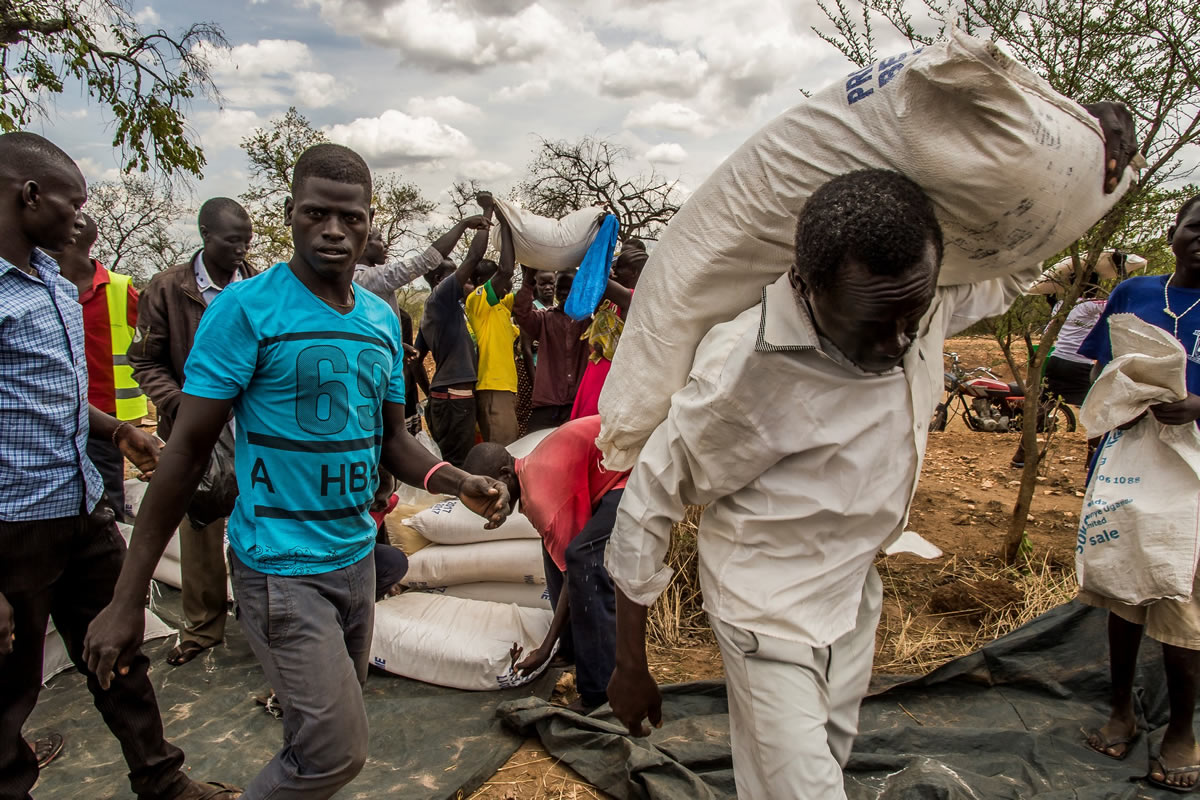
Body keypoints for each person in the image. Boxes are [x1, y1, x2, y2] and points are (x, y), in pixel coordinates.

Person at [602, 170, 1071, 799]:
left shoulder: (914, 306)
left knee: (813, 764)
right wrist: (630, 664)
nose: (899, 343)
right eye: (871, 324)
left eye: (914, 315)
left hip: (852, 592)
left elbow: (1010, 270)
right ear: (806, 287)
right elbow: (648, 502)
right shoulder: (746, 372)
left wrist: (1082, 171)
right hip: (763, 607)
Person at [83, 142, 511, 800]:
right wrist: (124, 600)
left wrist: (459, 481)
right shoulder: (246, 310)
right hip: (279, 569)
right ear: (290, 214)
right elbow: (187, 453)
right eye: (316, 214)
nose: (334, 231)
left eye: (352, 218)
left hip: (356, 560)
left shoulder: (378, 323)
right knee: (336, 753)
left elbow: (392, 441)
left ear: (370, 222)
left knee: (314, 739)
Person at [0, 131, 239, 800]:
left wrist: (113, 432)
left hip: (80, 507)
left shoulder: (49, 277)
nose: (82, 219)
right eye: (73, 205)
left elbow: (44, 395)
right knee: (8, 691)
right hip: (11, 527)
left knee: (120, 654)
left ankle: (162, 782)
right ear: (29, 196)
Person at [1077, 194, 1200, 793]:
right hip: (1127, 463)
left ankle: (1181, 729)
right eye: (1197, 227)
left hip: (1192, 482)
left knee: (1183, 603)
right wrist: (1109, 428)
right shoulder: (1134, 296)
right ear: (1174, 229)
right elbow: (1104, 374)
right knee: (1122, 592)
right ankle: (1121, 706)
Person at [130, 197, 256, 667]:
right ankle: (202, 629)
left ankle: (261, 616)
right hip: (194, 433)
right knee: (201, 528)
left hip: (253, 430)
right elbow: (144, 359)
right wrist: (182, 404)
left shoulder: (258, 287)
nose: (241, 249)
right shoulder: (167, 290)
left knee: (260, 524)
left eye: (246, 240)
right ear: (205, 235)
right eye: (231, 240)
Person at [463, 415, 629, 711]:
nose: (487, 506)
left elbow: (572, 576)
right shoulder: (528, 476)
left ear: (505, 474)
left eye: (489, 494)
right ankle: (572, 647)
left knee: (583, 562)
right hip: (611, 467)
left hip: (629, 474)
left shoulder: (541, 496)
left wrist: (545, 647)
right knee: (556, 550)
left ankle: (599, 692)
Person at [49, 211, 147, 520]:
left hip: (106, 419)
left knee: (107, 504)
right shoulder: (39, 287)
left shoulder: (119, 290)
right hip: (49, 417)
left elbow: (151, 347)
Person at [414, 195, 494, 466]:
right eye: (454, 276)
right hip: (454, 397)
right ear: (439, 280)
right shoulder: (440, 298)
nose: (464, 280)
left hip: (445, 394)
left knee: (451, 459)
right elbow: (474, 256)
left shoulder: (438, 311)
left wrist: (432, 390)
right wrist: (487, 214)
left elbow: (414, 357)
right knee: (457, 463)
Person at [1011, 276, 1107, 468]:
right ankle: (1091, 461)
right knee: (1094, 410)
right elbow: (1115, 303)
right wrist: (1120, 269)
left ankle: (1020, 455)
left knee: (1043, 405)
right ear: (1093, 288)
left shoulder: (1061, 305)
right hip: (1079, 365)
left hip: (1057, 361)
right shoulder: (1091, 305)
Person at [570, 247, 647, 419]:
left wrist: (603, 241)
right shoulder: (609, 300)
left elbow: (594, 275)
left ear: (633, 273)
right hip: (596, 370)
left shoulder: (632, 298)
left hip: (609, 375)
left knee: (594, 425)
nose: (614, 271)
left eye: (619, 267)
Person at [513, 263, 591, 430]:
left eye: (568, 288)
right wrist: (528, 280)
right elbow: (521, 312)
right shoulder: (544, 318)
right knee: (537, 447)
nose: (563, 292)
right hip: (547, 403)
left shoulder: (589, 321)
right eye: (560, 288)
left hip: (576, 402)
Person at [465, 256, 520, 445]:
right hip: (493, 387)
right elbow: (506, 270)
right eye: (498, 280)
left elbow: (529, 288)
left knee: (510, 444)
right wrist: (507, 227)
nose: (507, 284)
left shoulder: (501, 307)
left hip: (505, 388)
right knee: (501, 451)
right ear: (482, 284)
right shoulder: (477, 301)